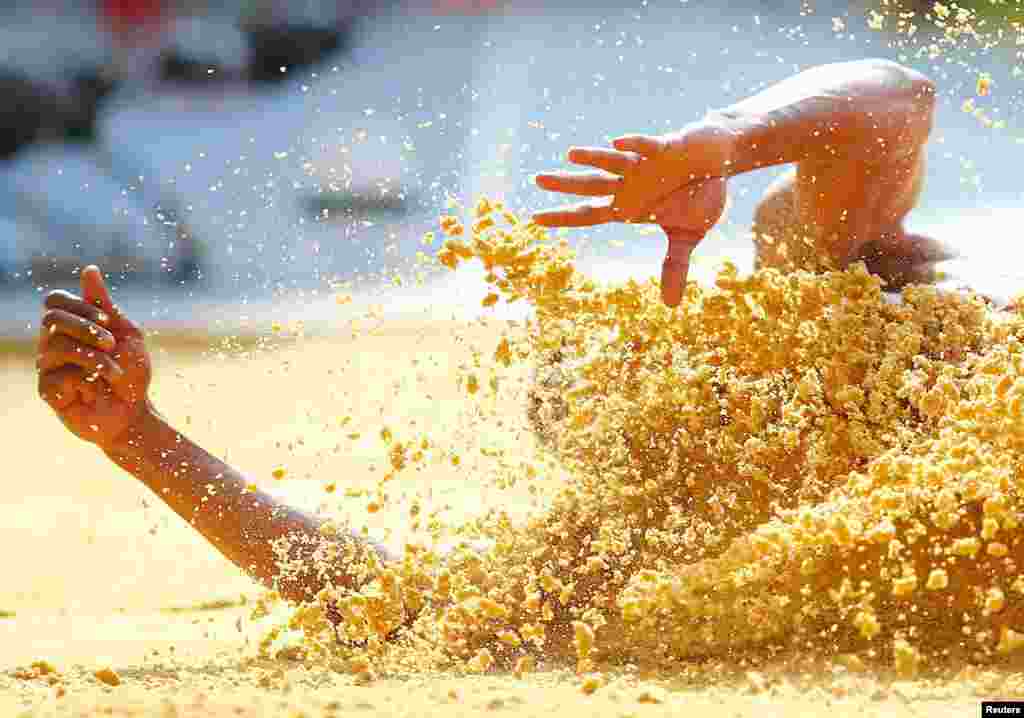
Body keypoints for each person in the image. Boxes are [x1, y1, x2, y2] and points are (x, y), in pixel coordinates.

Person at [36, 59, 952, 615]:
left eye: (612, 351)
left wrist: (723, 139)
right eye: (591, 402)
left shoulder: (824, 296)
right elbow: (383, 602)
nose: (616, 382)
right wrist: (138, 438)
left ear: (684, 332)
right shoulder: (641, 544)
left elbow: (898, 103)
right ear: (602, 460)